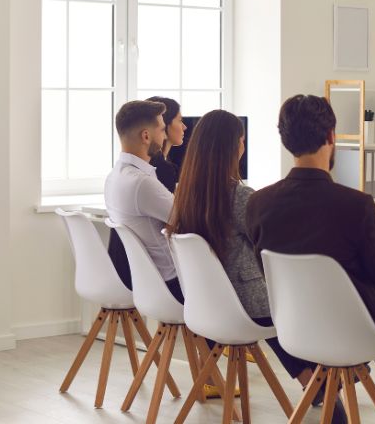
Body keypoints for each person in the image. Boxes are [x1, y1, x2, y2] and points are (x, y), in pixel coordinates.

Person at [246, 95, 375, 424]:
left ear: (285, 140)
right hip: (357, 332)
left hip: (296, 329)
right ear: (331, 136)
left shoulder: (258, 204)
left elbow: (268, 274)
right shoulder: (356, 205)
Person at [163, 110, 340, 415]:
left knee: (282, 312)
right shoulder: (240, 196)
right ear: (235, 147)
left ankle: (317, 385)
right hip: (247, 306)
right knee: (304, 304)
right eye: (242, 141)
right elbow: (273, 245)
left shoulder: (185, 195)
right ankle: (326, 383)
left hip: (207, 307)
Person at [105, 100, 182, 301]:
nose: (164, 136)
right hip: (171, 286)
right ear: (146, 136)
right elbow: (186, 218)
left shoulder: (114, 177)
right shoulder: (141, 183)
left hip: (146, 282)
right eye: (162, 130)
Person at [145, 96, 187, 193]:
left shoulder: (157, 162)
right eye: (180, 120)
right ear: (163, 123)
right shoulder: (163, 169)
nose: (184, 127)